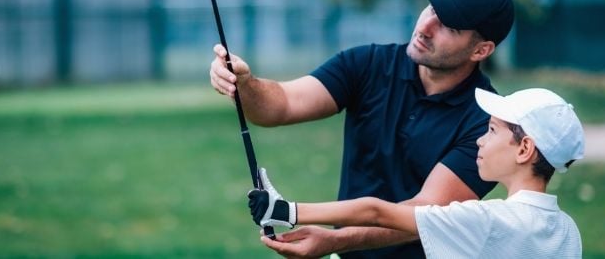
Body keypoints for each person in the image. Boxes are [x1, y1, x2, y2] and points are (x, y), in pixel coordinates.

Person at [210, 0, 514, 258]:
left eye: (450, 26)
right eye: (432, 9)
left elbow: (423, 215)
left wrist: (336, 239)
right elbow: (282, 105)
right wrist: (245, 83)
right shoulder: (367, 64)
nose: (425, 27)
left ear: (481, 50)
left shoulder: (488, 124)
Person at [248, 87, 586, 259]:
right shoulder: (568, 232)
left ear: (525, 149)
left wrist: (286, 211)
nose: (480, 140)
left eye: (493, 131)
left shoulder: (485, 221)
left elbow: (376, 211)